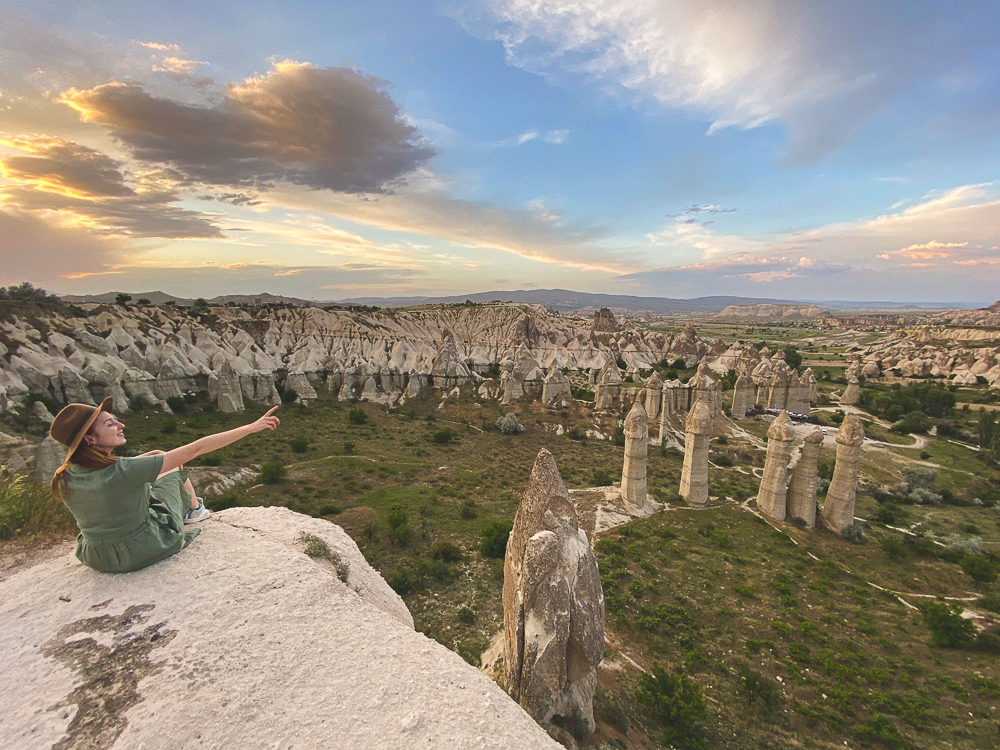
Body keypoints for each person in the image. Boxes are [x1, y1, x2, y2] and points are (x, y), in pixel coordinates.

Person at [49, 397, 280, 573]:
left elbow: (113, 478)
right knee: (169, 474)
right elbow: (197, 448)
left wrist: (154, 457)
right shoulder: (125, 471)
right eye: (110, 424)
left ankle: (190, 508)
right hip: (143, 549)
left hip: (98, 558)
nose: (121, 425)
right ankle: (194, 510)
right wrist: (250, 428)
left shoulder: (65, 475)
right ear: (90, 439)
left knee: (158, 459)